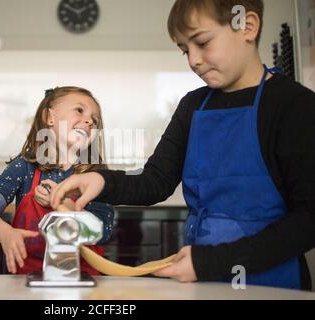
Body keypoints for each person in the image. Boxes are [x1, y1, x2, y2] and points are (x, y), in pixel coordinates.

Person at [51, 0, 315, 290]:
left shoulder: (294, 106)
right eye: (185, 50)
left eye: (202, 42)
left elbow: (308, 220)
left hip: (273, 284)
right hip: (201, 278)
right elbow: (155, 181)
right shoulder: (193, 105)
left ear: (247, 26)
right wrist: (101, 180)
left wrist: (211, 261)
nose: (194, 60)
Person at [0, 86, 114, 275]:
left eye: (94, 120)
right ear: (49, 117)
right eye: (79, 110)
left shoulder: (97, 178)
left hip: (83, 278)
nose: (89, 121)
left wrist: (64, 205)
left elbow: (103, 231)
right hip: (26, 280)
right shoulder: (25, 167)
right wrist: (5, 233)